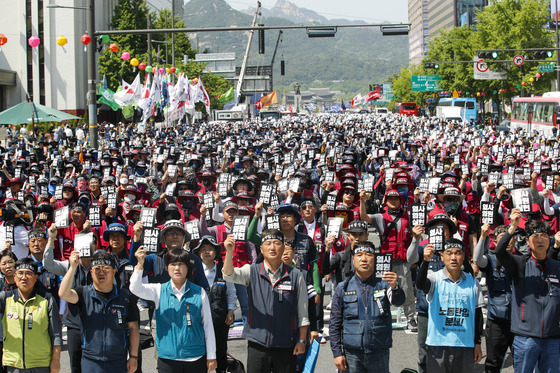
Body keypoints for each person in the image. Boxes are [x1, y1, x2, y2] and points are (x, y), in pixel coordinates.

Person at [223, 229, 309, 373]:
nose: (272, 247)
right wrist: (229, 252)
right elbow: (228, 275)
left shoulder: (296, 275)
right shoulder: (251, 271)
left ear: (283, 248)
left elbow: (303, 311)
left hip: (286, 344)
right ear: (261, 249)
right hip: (257, 343)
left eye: (276, 243)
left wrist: (301, 340)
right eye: (268, 243)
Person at [130, 247, 217, 373]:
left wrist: (211, 356)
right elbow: (135, 288)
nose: (177, 268)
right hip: (167, 358)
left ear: (188, 268)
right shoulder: (158, 290)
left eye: (181, 264)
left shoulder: (199, 292)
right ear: (167, 267)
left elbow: (208, 326)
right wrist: (139, 264)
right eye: (173, 264)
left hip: (195, 357)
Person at [495, 209, 560, 372]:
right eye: (535, 237)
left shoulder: (557, 267)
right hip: (526, 338)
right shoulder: (519, 264)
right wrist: (512, 227)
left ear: (549, 240)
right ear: (528, 241)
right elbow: (500, 252)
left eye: (544, 236)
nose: (540, 240)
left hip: (553, 337)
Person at [329, 239, 405, 373]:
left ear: (374, 259)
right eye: (359, 255)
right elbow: (334, 323)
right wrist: (337, 353)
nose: (364, 259)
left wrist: (395, 287)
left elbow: (398, 302)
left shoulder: (384, 284)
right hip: (352, 354)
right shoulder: (342, 288)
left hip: (379, 352)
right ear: (353, 260)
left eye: (368, 255)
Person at [58, 250, 140, 373]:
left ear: (113, 272)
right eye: (97, 269)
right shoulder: (83, 293)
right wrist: (73, 267)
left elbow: (133, 327)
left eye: (106, 269)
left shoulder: (125, 297)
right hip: (91, 361)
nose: (101, 272)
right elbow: (63, 293)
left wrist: (133, 357)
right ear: (91, 272)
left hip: (118, 360)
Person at [417, 238, 484, 373]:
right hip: (438, 345)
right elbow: (420, 284)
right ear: (442, 256)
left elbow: (478, 314)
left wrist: (478, 343)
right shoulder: (434, 279)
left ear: (464, 256)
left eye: (458, 253)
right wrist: (426, 261)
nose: (453, 257)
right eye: (449, 253)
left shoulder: (472, 282)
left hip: (465, 345)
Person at [0, 258, 62, 373]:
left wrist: (56, 359)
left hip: (41, 363)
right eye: (20, 273)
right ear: (14, 277)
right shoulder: (5, 298)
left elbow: (56, 333)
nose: (24, 277)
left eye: (28, 273)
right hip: (14, 364)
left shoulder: (47, 300)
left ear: (35, 278)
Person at [473, 224, 514, 373]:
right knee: (493, 364)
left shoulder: (520, 260)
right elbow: (477, 258)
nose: (507, 242)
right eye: (502, 239)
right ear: (495, 243)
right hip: (496, 320)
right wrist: (483, 236)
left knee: (521, 362)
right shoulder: (490, 260)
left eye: (509, 238)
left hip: (518, 322)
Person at [193, 236, 236, 373]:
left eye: (210, 249)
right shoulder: (193, 272)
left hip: (220, 319)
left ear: (216, 253)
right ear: (198, 253)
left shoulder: (224, 271)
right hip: (199, 320)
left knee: (221, 352)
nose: (207, 252)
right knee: (200, 353)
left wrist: (230, 311)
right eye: (203, 249)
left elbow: (231, 292)